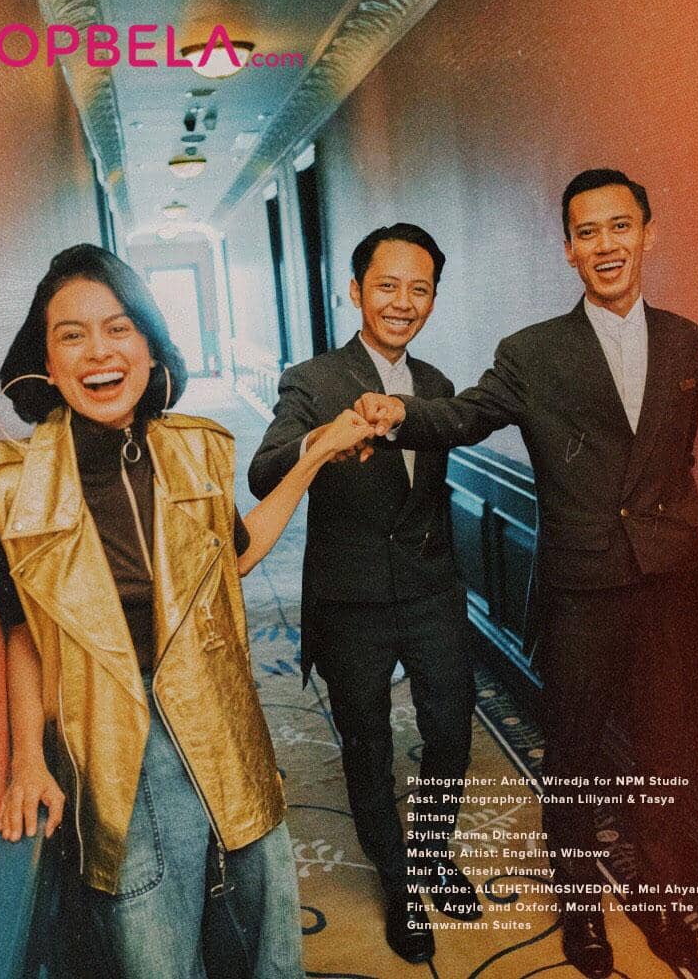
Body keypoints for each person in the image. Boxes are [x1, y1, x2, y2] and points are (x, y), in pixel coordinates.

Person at [0, 243, 373, 979]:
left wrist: (316, 454)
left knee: (260, 909)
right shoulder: (12, 484)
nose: (100, 351)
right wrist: (28, 757)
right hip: (116, 743)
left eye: (119, 328)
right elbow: (23, 629)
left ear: (152, 346)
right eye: (72, 335)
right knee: (153, 939)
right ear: (47, 362)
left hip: (219, 717)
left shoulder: (195, 451)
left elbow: (237, 551)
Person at [354, 170, 698, 978]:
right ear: (568, 250)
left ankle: (659, 900)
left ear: (647, 234)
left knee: (666, 750)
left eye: (620, 227)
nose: (606, 245)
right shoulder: (533, 352)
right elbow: (464, 415)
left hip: (672, 584)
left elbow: (672, 459)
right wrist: (399, 413)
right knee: (575, 758)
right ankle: (581, 914)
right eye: (587, 232)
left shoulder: (689, 341)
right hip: (582, 586)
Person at [248, 225, 482, 966]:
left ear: (433, 299)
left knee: (451, 729)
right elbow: (263, 470)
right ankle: (399, 881)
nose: (402, 302)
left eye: (419, 289)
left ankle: (432, 853)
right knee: (368, 742)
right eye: (387, 285)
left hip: (431, 590)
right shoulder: (312, 380)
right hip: (350, 599)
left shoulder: (436, 385)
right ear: (355, 291)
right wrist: (321, 442)